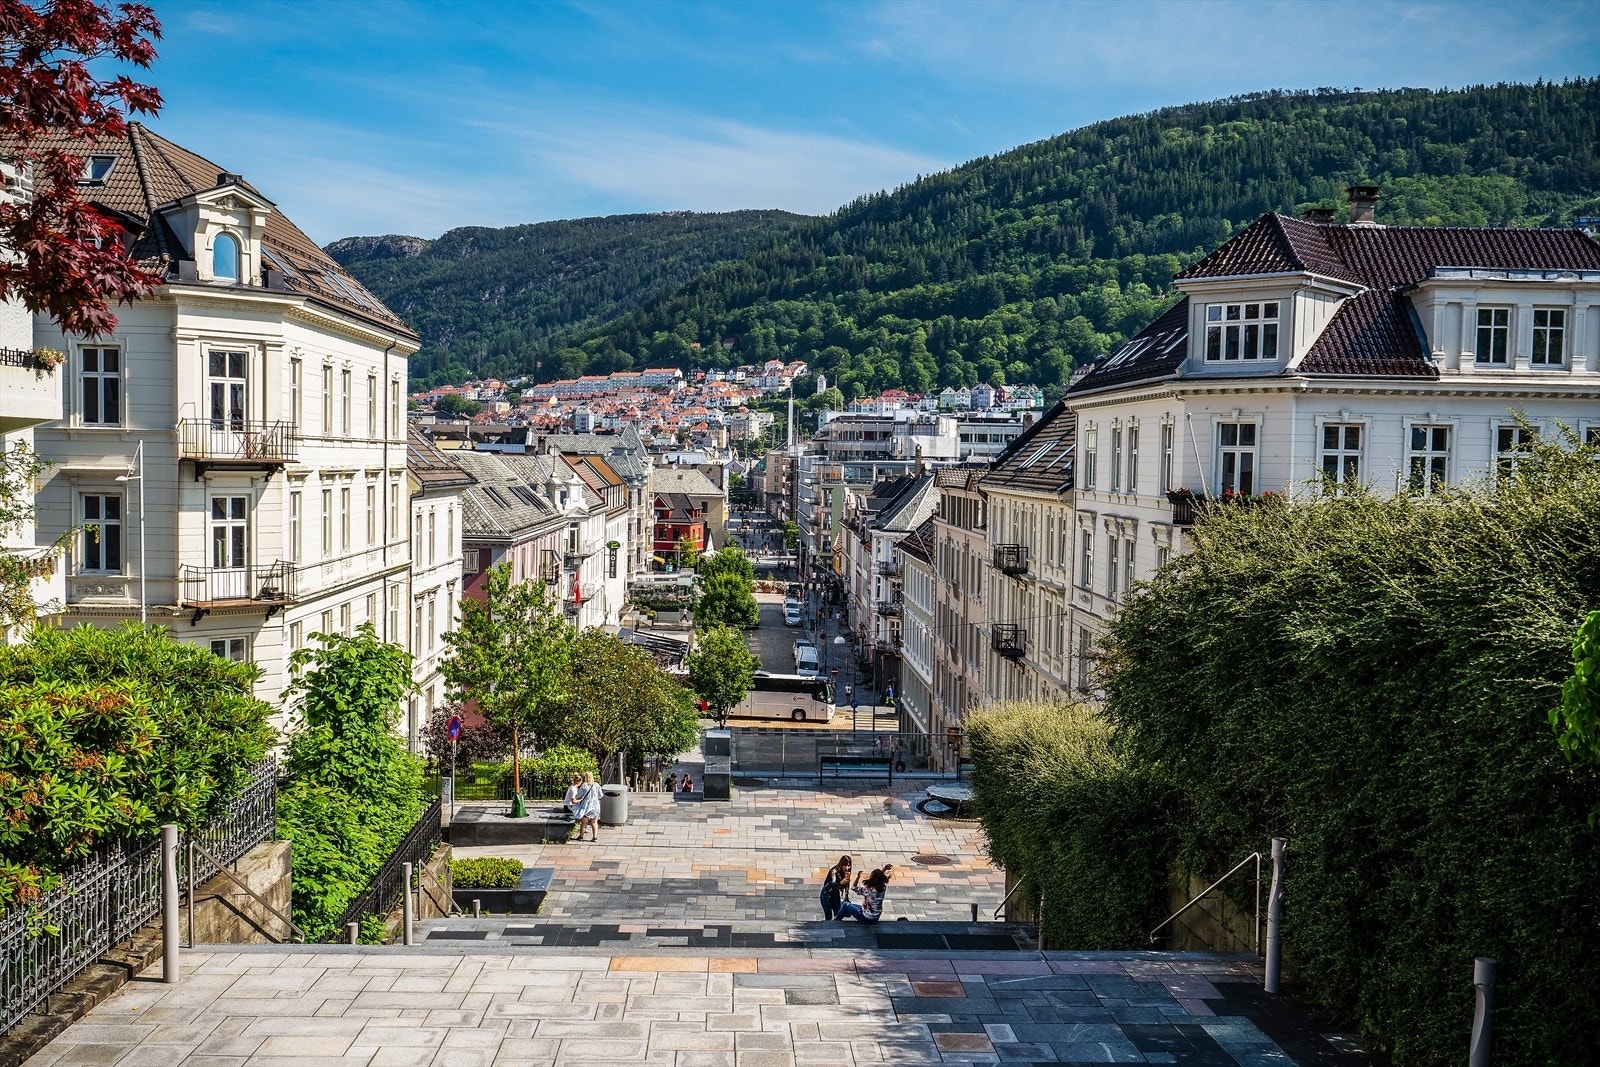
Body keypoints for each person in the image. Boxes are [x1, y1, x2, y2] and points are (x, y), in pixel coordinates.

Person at [819, 855, 852, 920]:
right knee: (828, 917)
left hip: (835, 894)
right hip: (827, 895)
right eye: (845, 865)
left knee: (838, 916)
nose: (847, 868)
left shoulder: (846, 873)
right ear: (841, 864)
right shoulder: (834, 872)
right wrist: (841, 883)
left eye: (848, 865)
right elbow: (829, 886)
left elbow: (845, 889)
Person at [573, 771, 602, 842]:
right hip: (595, 806)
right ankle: (595, 837)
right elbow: (600, 795)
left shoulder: (584, 785)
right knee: (594, 822)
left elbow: (578, 795)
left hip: (586, 806)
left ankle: (581, 836)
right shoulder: (597, 785)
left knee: (584, 822)